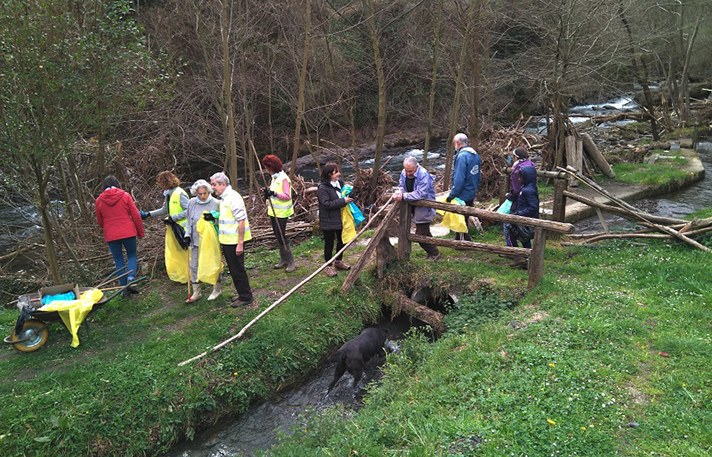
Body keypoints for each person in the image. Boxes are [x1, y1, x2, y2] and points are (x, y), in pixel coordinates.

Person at [206, 172, 253, 307]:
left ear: (223, 184)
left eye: (214, 185)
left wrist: (240, 244)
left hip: (234, 242)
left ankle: (246, 297)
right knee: (233, 270)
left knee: (238, 269)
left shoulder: (233, 198)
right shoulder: (224, 198)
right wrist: (215, 217)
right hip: (227, 241)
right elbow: (228, 217)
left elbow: (241, 221)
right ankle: (242, 294)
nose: (212, 187)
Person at [95, 175, 144, 293]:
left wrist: (108, 227)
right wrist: (140, 232)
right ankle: (131, 278)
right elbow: (136, 215)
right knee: (132, 255)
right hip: (128, 231)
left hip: (111, 235)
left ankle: (123, 288)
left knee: (118, 260)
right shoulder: (125, 196)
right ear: (117, 184)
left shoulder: (99, 201)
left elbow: (100, 221)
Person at [139, 171, 190, 283]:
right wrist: (148, 214)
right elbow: (164, 210)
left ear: (166, 182)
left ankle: (191, 276)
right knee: (178, 253)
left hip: (184, 229)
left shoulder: (179, 193)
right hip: (175, 228)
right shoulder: (169, 194)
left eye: (160, 182)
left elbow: (189, 210)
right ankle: (183, 276)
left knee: (186, 253)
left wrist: (174, 217)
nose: (159, 185)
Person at [394, 156, 441, 261]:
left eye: (410, 171)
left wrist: (404, 196)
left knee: (420, 234)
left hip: (424, 207)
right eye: (406, 171)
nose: (408, 173)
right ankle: (433, 252)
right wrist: (399, 191)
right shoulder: (404, 172)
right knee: (425, 232)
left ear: (417, 166)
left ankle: (435, 253)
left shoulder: (424, 174)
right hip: (412, 206)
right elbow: (401, 185)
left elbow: (421, 194)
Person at [183, 179, 221, 303]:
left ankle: (216, 289)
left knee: (212, 264)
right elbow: (189, 221)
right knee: (193, 265)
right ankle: (196, 292)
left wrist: (213, 218)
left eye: (205, 193)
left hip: (210, 241)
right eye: (200, 194)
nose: (202, 196)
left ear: (209, 191)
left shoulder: (216, 203)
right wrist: (187, 235)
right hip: (195, 240)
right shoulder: (191, 203)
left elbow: (220, 220)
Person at [317, 162, 353, 277]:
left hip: (340, 218)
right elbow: (326, 204)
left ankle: (338, 261)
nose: (339, 174)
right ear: (329, 174)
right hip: (328, 220)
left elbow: (344, 194)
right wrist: (343, 201)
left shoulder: (340, 183)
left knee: (342, 240)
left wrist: (351, 195)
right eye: (336, 172)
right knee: (329, 244)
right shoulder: (322, 188)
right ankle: (328, 266)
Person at [262, 155, 295, 272]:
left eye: (266, 167)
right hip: (273, 211)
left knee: (281, 235)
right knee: (277, 234)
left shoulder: (283, 179)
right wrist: (268, 194)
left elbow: (287, 196)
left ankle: (291, 261)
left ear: (271, 167)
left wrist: (274, 193)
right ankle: (283, 259)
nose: (265, 170)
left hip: (282, 212)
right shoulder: (274, 178)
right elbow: (274, 192)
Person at [446, 133, 481, 241]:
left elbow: (459, 178)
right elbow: (478, 175)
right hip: (471, 190)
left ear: (457, 143)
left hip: (463, 193)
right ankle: (461, 239)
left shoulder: (462, 156)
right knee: (465, 218)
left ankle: (462, 241)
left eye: (454, 143)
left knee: (461, 219)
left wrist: (451, 195)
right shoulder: (475, 154)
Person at [504, 165, 539, 268]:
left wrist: (520, 214)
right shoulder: (526, 187)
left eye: (521, 177)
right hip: (523, 216)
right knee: (524, 238)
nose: (519, 179)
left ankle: (517, 254)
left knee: (509, 229)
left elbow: (533, 206)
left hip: (525, 218)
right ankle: (527, 258)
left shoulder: (528, 190)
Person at [508, 147, 535, 213]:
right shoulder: (531, 166)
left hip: (519, 202)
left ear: (516, 157)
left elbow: (516, 190)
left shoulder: (517, 170)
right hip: (530, 197)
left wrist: (510, 196)